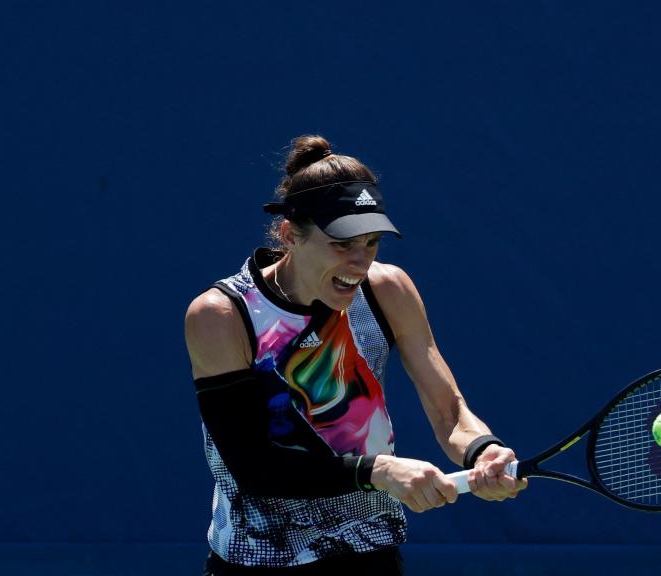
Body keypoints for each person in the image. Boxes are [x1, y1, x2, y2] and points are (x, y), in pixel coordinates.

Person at [185, 135, 527, 575]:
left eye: (370, 243)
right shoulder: (223, 315)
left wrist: (483, 452)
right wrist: (379, 471)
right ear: (291, 235)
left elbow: (450, 411)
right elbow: (255, 467)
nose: (359, 262)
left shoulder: (387, 289)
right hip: (261, 558)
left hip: (368, 549)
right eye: (342, 244)